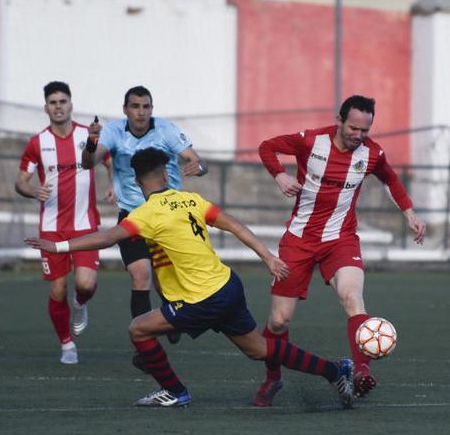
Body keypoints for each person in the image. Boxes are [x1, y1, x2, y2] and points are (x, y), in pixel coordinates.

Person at [26, 148, 355, 408]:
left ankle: (174, 391)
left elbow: (108, 238)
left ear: (138, 181)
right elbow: (235, 224)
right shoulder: (192, 200)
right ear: (165, 174)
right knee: (258, 349)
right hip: (227, 285)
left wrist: (58, 246)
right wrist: (267, 256)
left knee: (138, 329)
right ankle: (335, 371)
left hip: (202, 299)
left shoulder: (147, 213)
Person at [254, 95, 426, 406]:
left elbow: (389, 178)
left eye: (365, 129)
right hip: (299, 240)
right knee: (279, 321)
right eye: (353, 128)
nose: (359, 136)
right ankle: (272, 378)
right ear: (339, 120)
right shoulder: (310, 141)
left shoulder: (372, 153)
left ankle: (361, 372)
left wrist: (409, 212)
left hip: (341, 239)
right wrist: (279, 174)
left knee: (352, 297)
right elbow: (267, 146)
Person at [81, 86, 207, 349]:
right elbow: (88, 163)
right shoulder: (114, 131)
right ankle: (145, 343)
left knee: (167, 283)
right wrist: (92, 140)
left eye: (146, 107)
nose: (141, 112)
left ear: (152, 109)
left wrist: (199, 167)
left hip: (168, 216)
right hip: (133, 216)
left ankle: (171, 314)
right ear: (125, 109)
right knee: (140, 275)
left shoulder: (167, 130)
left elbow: (198, 162)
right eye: (135, 106)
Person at [15, 81, 114, 364]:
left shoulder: (87, 135)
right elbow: (20, 181)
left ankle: (81, 304)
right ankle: (67, 344)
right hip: (52, 227)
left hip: (84, 224)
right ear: (46, 107)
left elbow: (108, 160)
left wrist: (113, 185)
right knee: (58, 289)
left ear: (71, 105)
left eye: (63, 101)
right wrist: (33, 190)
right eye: (53, 102)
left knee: (85, 284)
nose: (58, 106)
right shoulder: (37, 143)